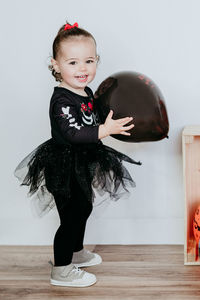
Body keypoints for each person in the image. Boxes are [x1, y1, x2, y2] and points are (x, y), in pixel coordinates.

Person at [14, 21, 141, 287]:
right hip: (62, 164)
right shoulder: (61, 99)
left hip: (82, 160)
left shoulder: (85, 91)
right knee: (70, 217)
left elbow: (92, 115)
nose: (82, 68)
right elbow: (73, 133)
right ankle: (61, 270)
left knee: (83, 208)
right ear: (55, 65)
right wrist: (104, 131)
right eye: (72, 63)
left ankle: (76, 252)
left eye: (89, 61)